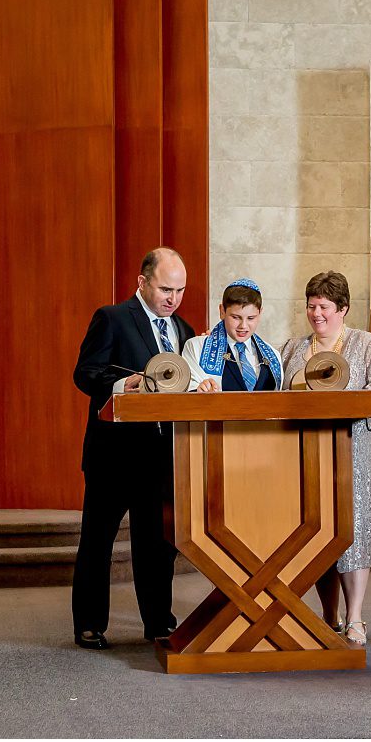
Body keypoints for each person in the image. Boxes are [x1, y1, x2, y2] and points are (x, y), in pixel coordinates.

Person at [70, 247, 194, 650]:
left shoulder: (186, 332)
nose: (172, 298)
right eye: (165, 289)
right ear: (142, 282)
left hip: (162, 455)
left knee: (157, 546)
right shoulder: (113, 318)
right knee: (98, 541)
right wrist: (127, 385)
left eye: (179, 290)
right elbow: (86, 373)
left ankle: (159, 622)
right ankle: (89, 624)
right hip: (115, 454)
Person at [280, 270, 371, 648]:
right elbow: (280, 397)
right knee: (317, 532)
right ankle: (328, 615)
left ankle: (356, 617)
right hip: (310, 453)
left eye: (324, 307)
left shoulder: (366, 344)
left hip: (358, 453)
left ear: (343, 309)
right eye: (311, 306)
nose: (316, 314)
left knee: (355, 533)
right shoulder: (294, 348)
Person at [183, 278, 282, 393]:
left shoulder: (272, 355)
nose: (243, 326)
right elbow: (188, 394)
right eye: (236, 317)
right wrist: (199, 391)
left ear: (260, 314)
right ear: (222, 312)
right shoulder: (196, 348)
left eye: (251, 318)